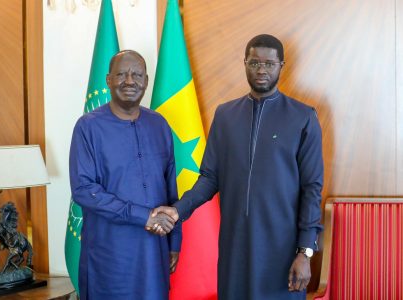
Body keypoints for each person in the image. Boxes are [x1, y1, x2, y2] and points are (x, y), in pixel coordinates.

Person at [151, 34, 323, 299]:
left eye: (269, 63)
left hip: (282, 250)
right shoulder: (226, 115)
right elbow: (209, 178)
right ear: (244, 63)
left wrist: (305, 252)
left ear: (282, 66)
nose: (261, 70)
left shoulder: (303, 117)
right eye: (254, 63)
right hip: (235, 248)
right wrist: (177, 211)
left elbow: (312, 188)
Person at [69, 50, 181, 300]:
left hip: (154, 250)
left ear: (146, 81)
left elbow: (170, 188)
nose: (130, 81)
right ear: (108, 80)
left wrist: (174, 242)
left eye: (137, 75)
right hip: (109, 254)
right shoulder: (88, 127)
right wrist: (143, 216)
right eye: (121, 74)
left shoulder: (160, 125)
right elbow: (84, 190)